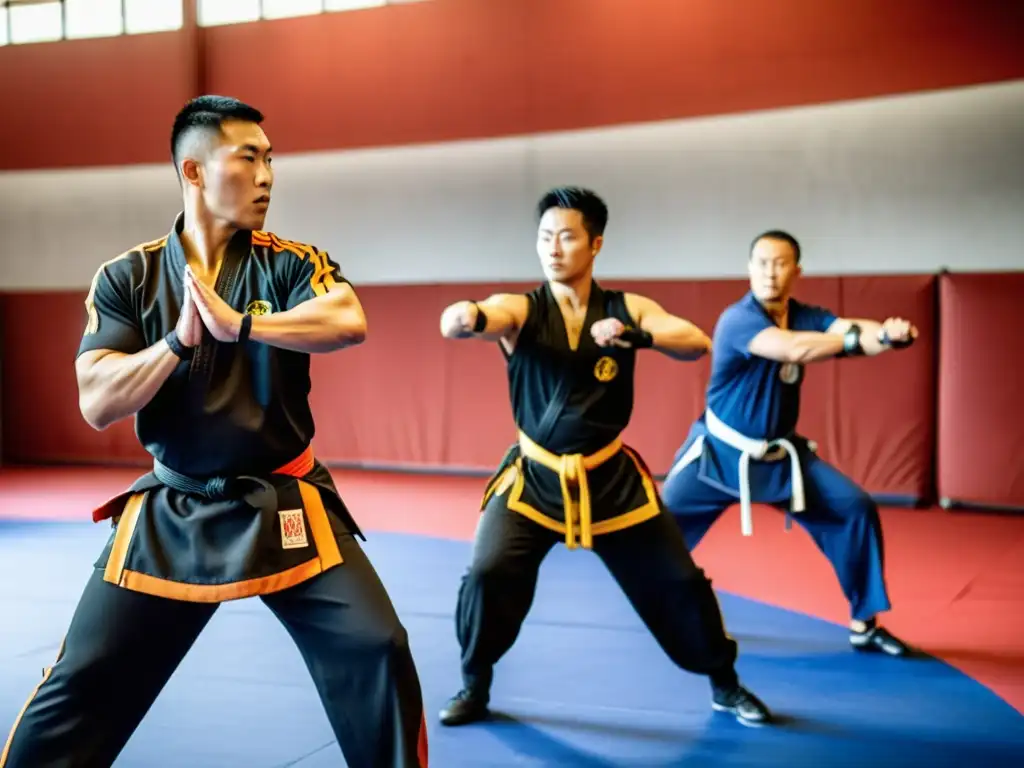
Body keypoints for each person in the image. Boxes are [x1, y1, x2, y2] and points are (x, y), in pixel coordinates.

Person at [0, 96, 428, 768]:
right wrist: (174, 343)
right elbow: (96, 400)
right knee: (81, 681)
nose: (268, 176)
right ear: (194, 172)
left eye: (270, 160)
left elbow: (348, 319)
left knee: (378, 648)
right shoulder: (128, 277)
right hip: (173, 510)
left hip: (285, 501)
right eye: (249, 158)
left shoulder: (288, 263)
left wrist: (244, 326)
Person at [435, 187, 773, 730]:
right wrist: (468, 315)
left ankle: (724, 684)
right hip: (535, 480)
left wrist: (636, 336)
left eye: (567, 237)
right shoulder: (522, 309)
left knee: (680, 583)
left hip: (612, 480)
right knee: (488, 573)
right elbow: (484, 315)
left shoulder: (626, 307)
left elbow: (692, 341)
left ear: (595, 244)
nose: (553, 248)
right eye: (545, 237)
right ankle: (475, 681)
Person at [661, 229, 916, 658]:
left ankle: (864, 622)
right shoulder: (738, 319)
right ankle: (659, 608)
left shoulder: (807, 315)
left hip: (782, 459)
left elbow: (852, 328)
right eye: (761, 263)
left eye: (780, 264)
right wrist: (857, 342)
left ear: (796, 271)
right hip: (717, 458)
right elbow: (791, 349)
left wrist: (887, 336)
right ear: (749, 269)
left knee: (853, 508)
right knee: (658, 536)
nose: (770, 273)